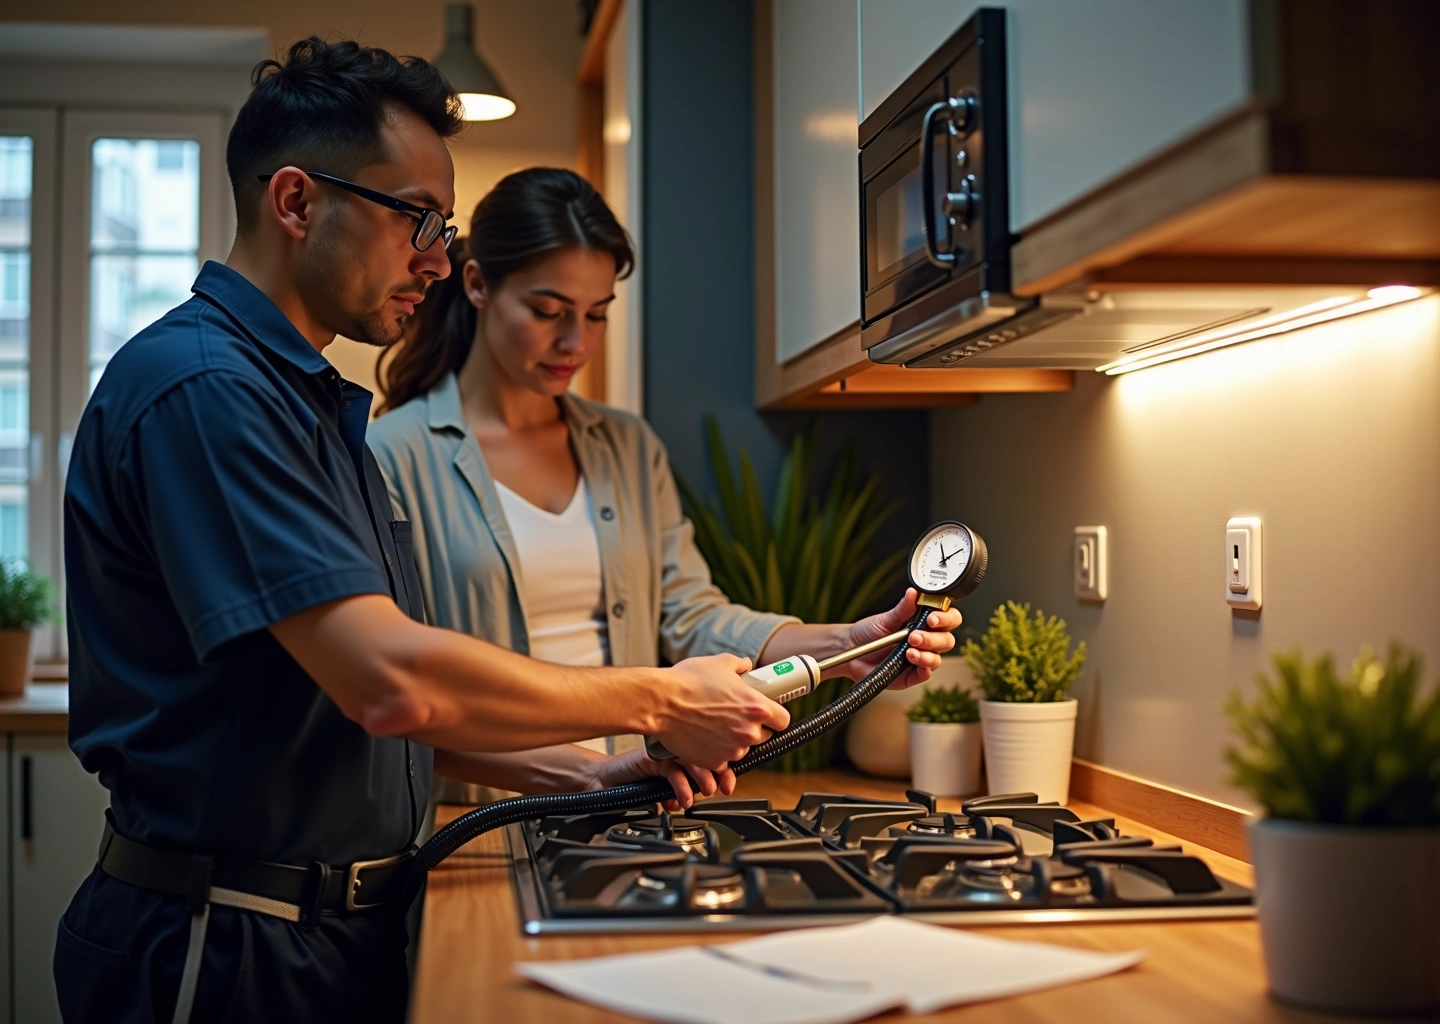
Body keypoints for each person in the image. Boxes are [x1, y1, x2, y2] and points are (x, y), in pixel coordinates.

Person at [55, 39, 788, 1024]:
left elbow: (356, 722)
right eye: (416, 220)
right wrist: (656, 697)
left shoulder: (305, 403)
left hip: (322, 933)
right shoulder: (206, 391)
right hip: (227, 945)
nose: (439, 259)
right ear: (295, 201)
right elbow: (390, 679)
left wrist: (583, 770)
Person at [366, 167, 961, 804]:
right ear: (478, 285)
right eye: (547, 312)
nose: (575, 342)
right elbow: (406, 686)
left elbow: (692, 615)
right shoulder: (393, 455)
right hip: (482, 814)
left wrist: (843, 645)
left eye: (596, 315)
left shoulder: (625, 448)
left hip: (632, 795)